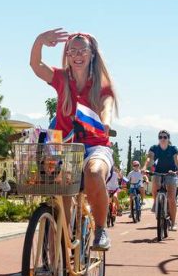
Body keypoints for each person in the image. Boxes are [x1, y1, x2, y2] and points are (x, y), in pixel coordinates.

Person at [29, 29, 119, 251]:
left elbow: (106, 108)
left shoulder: (102, 85)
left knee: (94, 172)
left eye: (83, 51)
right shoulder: (61, 79)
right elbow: (36, 66)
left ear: (92, 55)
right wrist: (40, 41)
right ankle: (61, 251)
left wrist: (103, 123)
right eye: (73, 51)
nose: (78, 55)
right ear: (67, 55)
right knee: (60, 199)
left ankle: (100, 230)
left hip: (95, 145)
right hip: (62, 147)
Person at [144, 130, 178, 231]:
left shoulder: (173, 149)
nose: (162, 139)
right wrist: (144, 167)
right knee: (154, 186)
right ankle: (156, 201)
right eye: (160, 137)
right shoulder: (154, 148)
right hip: (158, 172)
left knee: (171, 198)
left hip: (171, 173)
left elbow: (177, 160)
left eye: (165, 137)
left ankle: (173, 223)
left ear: (168, 139)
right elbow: (149, 159)